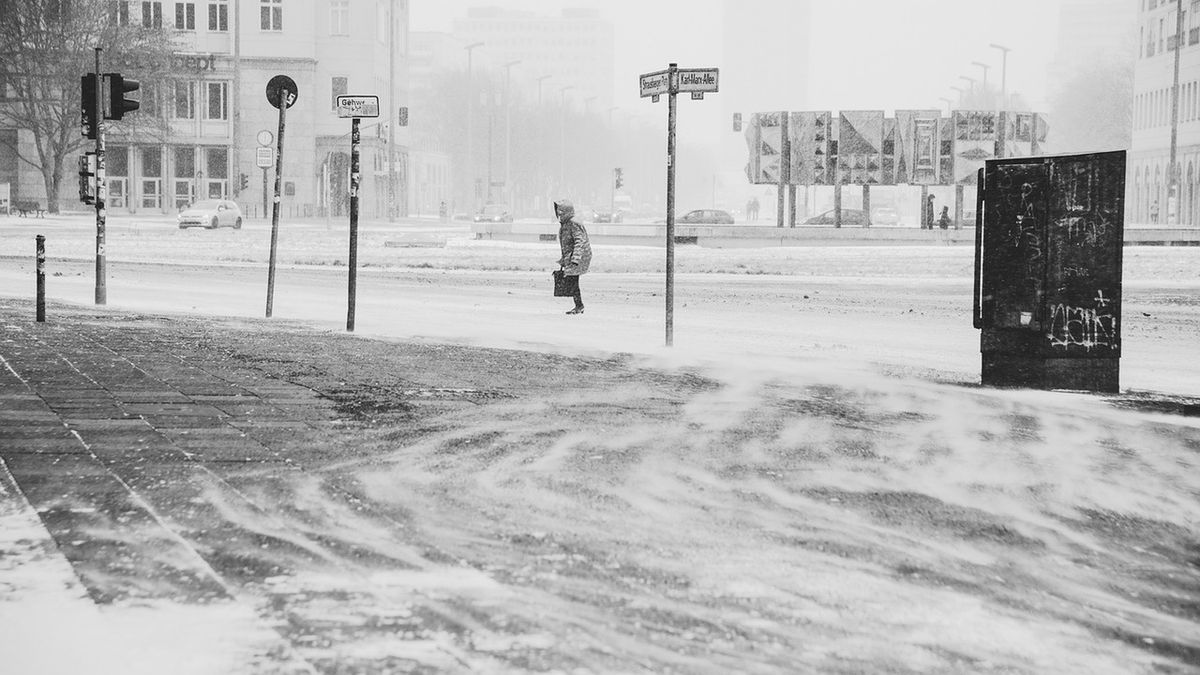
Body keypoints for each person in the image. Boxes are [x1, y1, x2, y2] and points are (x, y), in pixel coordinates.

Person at [554, 199, 591, 315]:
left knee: (573, 281)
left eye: (561, 211)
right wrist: (564, 259)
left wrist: (575, 258)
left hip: (579, 256)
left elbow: (579, 241)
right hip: (573, 256)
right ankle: (578, 305)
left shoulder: (573, 224)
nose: (559, 214)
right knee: (573, 281)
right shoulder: (566, 224)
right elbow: (567, 245)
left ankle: (579, 306)